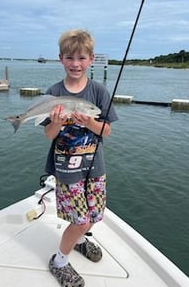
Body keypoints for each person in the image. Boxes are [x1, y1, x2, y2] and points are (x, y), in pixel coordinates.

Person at [42, 29, 118, 287]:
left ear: (91, 59)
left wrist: (90, 123)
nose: (76, 64)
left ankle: (81, 240)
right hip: (67, 170)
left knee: (94, 216)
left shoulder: (98, 92)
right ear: (61, 59)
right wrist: (55, 123)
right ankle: (59, 261)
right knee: (80, 220)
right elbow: (49, 135)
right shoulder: (53, 92)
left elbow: (106, 130)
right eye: (70, 58)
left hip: (95, 168)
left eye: (82, 58)